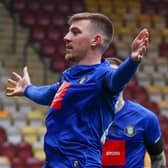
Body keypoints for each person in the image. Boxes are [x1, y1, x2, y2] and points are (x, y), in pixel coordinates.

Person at [6, 12, 149, 168]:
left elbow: (118, 79)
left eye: (75, 32)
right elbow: (47, 94)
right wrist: (27, 89)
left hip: (80, 163)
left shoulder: (103, 76)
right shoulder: (70, 78)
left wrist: (132, 61)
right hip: (54, 162)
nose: (66, 37)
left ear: (96, 40)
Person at [101, 57, 166, 168]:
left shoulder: (145, 118)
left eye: (116, 76)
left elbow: (158, 159)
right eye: (107, 77)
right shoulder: (82, 118)